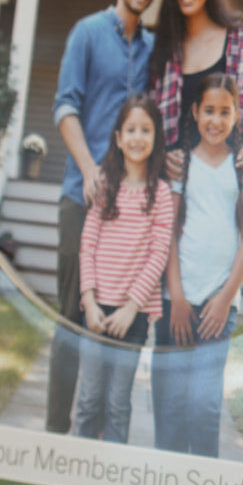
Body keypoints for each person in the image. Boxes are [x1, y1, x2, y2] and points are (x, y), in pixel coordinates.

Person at [47, 0, 161, 431]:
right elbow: (64, 107)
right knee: (75, 318)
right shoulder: (88, 33)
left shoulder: (157, 49)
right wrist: (91, 169)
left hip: (133, 213)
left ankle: (95, 435)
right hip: (84, 199)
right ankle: (56, 430)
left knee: (117, 323)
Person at [153, 72, 243, 456]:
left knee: (204, 404)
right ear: (196, 112)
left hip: (220, 305)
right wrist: (177, 298)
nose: (216, 120)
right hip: (178, 303)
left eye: (225, 112)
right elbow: (169, 232)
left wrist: (224, 297)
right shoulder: (181, 165)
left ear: (236, 116)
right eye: (209, 110)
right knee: (172, 404)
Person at [72, 93, 174, 442]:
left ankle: (107, 484)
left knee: (117, 403)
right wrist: (89, 300)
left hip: (134, 316)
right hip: (97, 310)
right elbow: (88, 245)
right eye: (130, 129)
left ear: (156, 138)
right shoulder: (105, 186)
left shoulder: (160, 194)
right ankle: (74, 475)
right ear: (118, 138)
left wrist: (131, 308)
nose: (137, 137)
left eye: (145, 130)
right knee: (88, 398)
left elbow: (158, 255)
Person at [147, 0, 243, 184]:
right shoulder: (165, 47)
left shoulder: (239, 40)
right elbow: (152, 119)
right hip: (174, 185)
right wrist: (161, 155)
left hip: (224, 180)